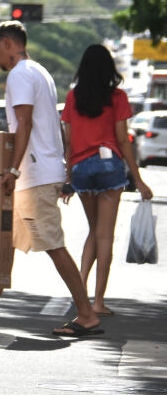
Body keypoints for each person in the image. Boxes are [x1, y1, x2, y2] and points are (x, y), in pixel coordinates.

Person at [0, 21, 103, 337]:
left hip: (34, 175)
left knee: (53, 245)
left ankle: (86, 314)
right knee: (9, 243)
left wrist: (13, 170)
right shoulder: (39, 71)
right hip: (40, 172)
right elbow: (49, 125)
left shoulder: (19, 74)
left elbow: (24, 125)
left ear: (7, 44)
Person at [61, 44, 153, 316]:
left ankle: (80, 297)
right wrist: (139, 180)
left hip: (81, 168)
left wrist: (68, 179)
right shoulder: (117, 97)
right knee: (104, 235)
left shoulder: (72, 97)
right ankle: (98, 302)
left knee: (92, 232)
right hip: (109, 165)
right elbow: (123, 141)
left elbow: (68, 142)